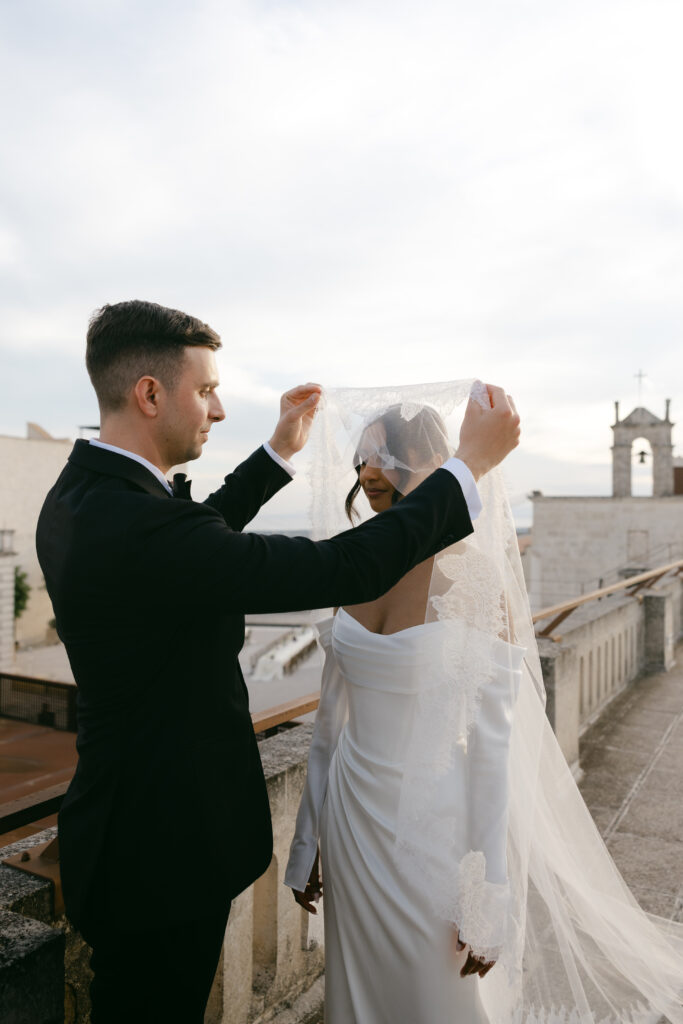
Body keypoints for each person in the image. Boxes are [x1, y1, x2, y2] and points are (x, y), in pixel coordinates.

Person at [36, 301, 520, 1024]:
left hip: (124, 831)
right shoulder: (138, 523)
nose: (218, 409)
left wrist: (276, 455)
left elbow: (192, 551)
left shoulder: (82, 499)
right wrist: (469, 468)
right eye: (205, 391)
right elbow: (341, 565)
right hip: (161, 850)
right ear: (148, 393)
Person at [285, 382, 683, 1024]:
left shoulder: (475, 580)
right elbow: (331, 725)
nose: (369, 473)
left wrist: (488, 895)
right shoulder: (351, 564)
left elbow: (491, 752)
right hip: (351, 822)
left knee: (436, 996)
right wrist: (307, 846)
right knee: (357, 996)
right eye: (362, 457)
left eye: (387, 456)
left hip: (431, 834)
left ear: (433, 465)